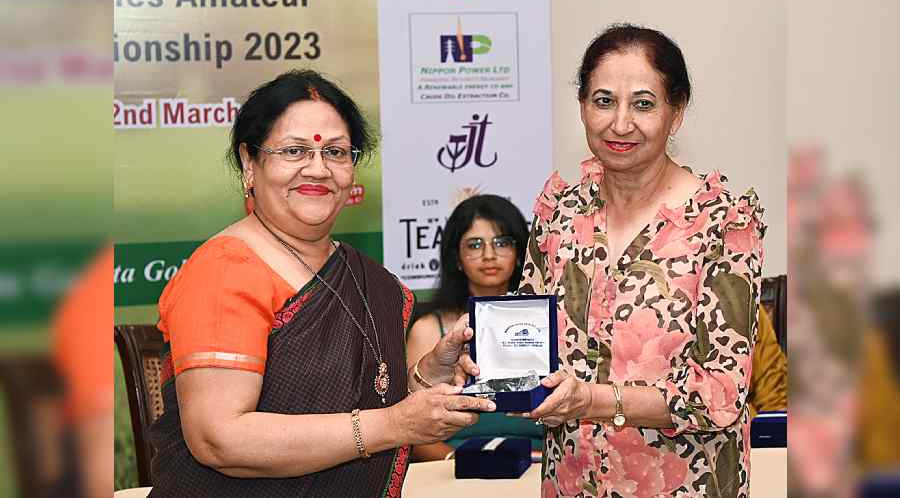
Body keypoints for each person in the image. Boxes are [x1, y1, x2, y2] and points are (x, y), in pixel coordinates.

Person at [147, 69, 495, 497]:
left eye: (336, 152)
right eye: (294, 151)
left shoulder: (365, 276)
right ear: (248, 163)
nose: (317, 169)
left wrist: (427, 376)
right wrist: (393, 425)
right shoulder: (224, 270)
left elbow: (363, 400)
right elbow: (220, 439)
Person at [517, 25, 766, 497]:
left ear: (676, 114)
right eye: (604, 100)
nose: (621, 123)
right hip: (572, 481)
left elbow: (720, 394)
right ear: (583, 107)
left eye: (644, 104)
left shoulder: (721, 222)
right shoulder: (560, 215)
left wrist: (591, 400)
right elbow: (530, 344)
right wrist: (478, 363)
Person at [406, 194, 541, 461]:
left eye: (501, 243)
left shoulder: (545, 324)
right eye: (475, 245)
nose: (489, 255)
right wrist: (463, 464)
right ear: (457, 258)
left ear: (518, 254)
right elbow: (410, 430)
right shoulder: (428, 330)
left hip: (539, 467)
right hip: (451, 472)